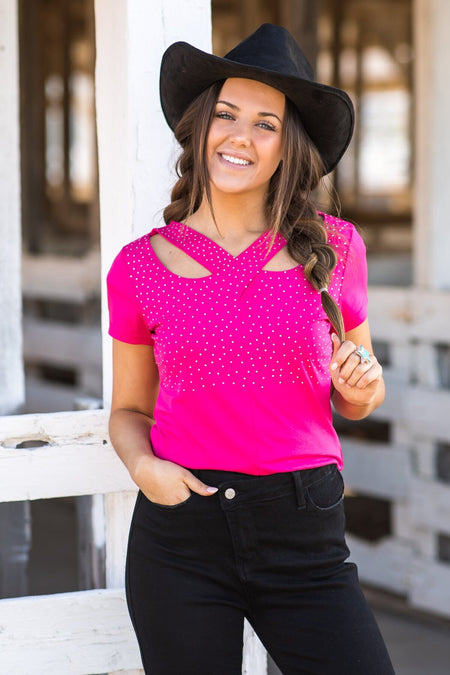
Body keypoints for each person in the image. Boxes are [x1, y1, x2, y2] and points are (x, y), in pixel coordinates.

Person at [107, 23, 395, 675]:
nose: (240, 136)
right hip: (181, 536)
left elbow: (362, 394)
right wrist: (142, 468)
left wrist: (363, 384)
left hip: (306, 532)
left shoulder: (337, 248)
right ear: (201, 126)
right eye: (226, 115)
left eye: (265, 123)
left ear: (287, 145)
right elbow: (128, 411)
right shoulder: (139, 268)